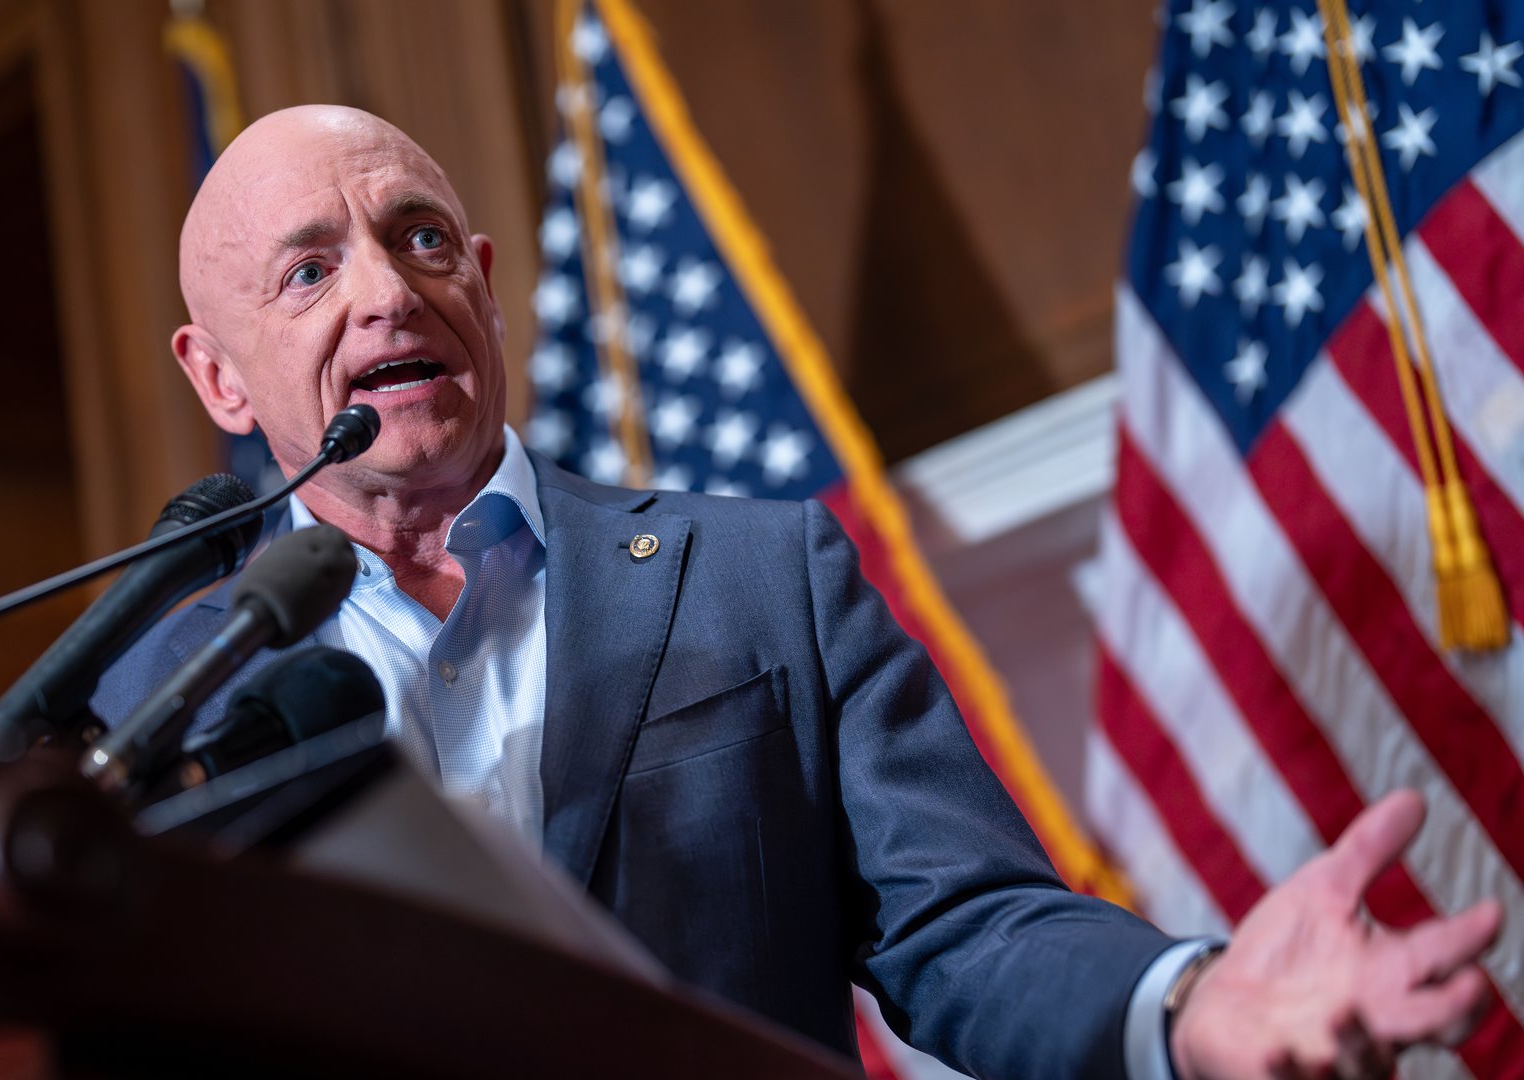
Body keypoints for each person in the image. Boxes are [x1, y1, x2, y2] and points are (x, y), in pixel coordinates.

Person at [93, 104, 1501, 1080]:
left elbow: (966, 924)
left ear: (490, 284)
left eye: (417, 238)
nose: (389, 296)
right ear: (218, 376)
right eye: (309, 271)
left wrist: (1189, 1008)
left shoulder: (763, 574)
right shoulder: (156, 690)